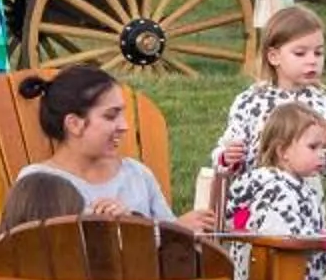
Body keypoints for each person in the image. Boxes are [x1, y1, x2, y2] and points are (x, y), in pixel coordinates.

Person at [220, 100, 326, 280]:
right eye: (313, 147)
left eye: (324, 148)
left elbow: (308, 228)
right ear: (283, 152)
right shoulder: (275, 190)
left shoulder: (300, 186)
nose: (322, 155)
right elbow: (284, 239)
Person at [22, 64, 213, 228]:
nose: (124, 126)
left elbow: (171, 243)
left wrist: (180, 229)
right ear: (74, 124)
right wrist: (130, 230)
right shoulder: (38, 184)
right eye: (111, 116)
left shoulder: (136, 175)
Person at [210, 5, 326, 180]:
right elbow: (227, 151)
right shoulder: (250, 101)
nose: (312, 60)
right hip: (254, 198)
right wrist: (227, 157)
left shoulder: (325, 105)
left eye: (318, 53)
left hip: (302, 201)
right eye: (300, 53)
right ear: (274, 57)